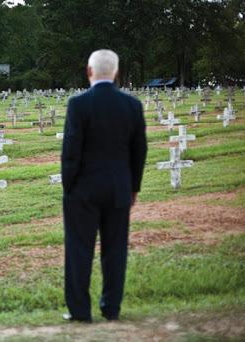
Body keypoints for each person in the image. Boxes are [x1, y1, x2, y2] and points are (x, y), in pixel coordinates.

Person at [61, 49, 147, 323]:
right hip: (118, 188)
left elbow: (71, 151)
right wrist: (133, 187)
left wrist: (69, 187)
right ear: (117, 73)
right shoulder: (132, 105)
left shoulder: (79, 104)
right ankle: (111, 308)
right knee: (115, 249)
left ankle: (80, 311)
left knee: (78, 249)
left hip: (83, 190)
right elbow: (139, 151)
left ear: (89, 71)